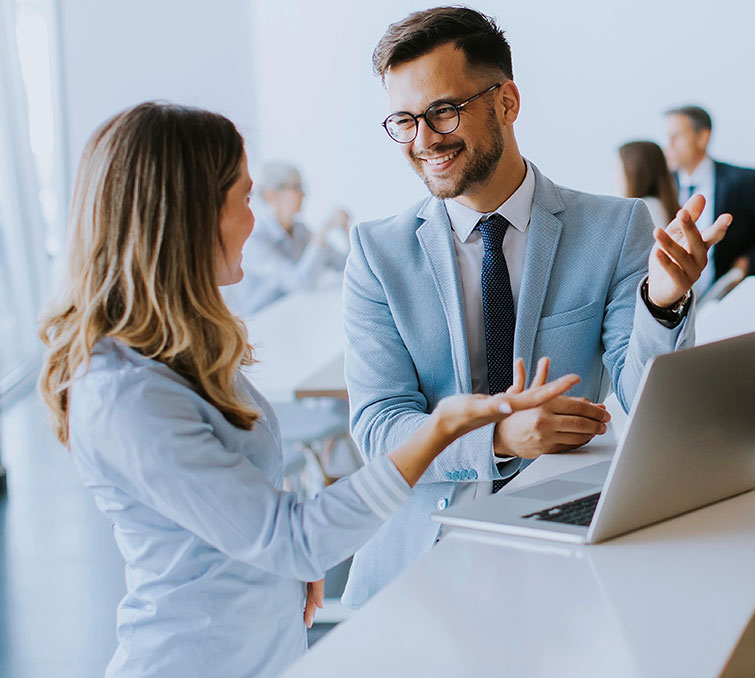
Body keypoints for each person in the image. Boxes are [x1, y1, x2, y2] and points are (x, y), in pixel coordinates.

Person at [36, 102, 580, 677]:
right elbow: (290, 537)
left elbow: (250, 515)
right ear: (188, 215)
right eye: (245, 199)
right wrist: (443, 425)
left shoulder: (179, 350)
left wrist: (289, 559)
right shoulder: (123, 395)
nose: (256, 221)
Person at [341, 7, 731, 609]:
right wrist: (497, 437)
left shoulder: (614, 227)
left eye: (443, 111)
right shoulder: (376, 254)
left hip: (566, 545)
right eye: (404, 120)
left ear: (507, 102)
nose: (423, 140)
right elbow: (377, 427)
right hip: (418, 566)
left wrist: (662, 302)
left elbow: (641, 398)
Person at [664, 105, 755, 297]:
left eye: (676, 136)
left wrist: (748, 262)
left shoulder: (744, 182)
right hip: (675, 302)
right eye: (667, 137)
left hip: (728, 298)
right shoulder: (663, 186)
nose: (668, 144)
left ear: (702, 137)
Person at [228, 161, 349, 315]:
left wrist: (345, 231)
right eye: (296, 188)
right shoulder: (254, 240)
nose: (304, 194)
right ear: (271, 195)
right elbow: (300, 282)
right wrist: (322, 232)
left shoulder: (300, 230)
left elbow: (346, 265)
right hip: (262, 323)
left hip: (293, 315)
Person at [617, 140, 680, 230]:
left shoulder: (645, 210)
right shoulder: (658, 206)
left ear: (634, 172)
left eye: (618, 167)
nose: (614, 175)